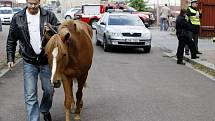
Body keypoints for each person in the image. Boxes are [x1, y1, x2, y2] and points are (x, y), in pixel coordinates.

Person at [6, 0, 59, 120]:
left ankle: (45, 109)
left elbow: (60, 30)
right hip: (29, 61)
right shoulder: (18, 17)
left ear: (39, 2)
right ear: (26, 2)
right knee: (30, 95)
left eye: (35, 3)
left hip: (46, 61)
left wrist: (51, 27)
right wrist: (10, 58)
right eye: (30, 3)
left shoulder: (49, 15)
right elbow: (11, 40)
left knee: (49, 90)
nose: (33, 6)